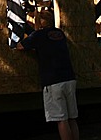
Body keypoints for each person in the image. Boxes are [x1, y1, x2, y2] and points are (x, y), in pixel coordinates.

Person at [17, 9, 79, 140]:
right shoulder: (60, 33)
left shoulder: (38, 35)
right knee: (72, 118)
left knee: (61, 120)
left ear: (39, 22)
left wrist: (30, 33)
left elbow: (20, 46)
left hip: (53, 82)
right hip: (69, 78)